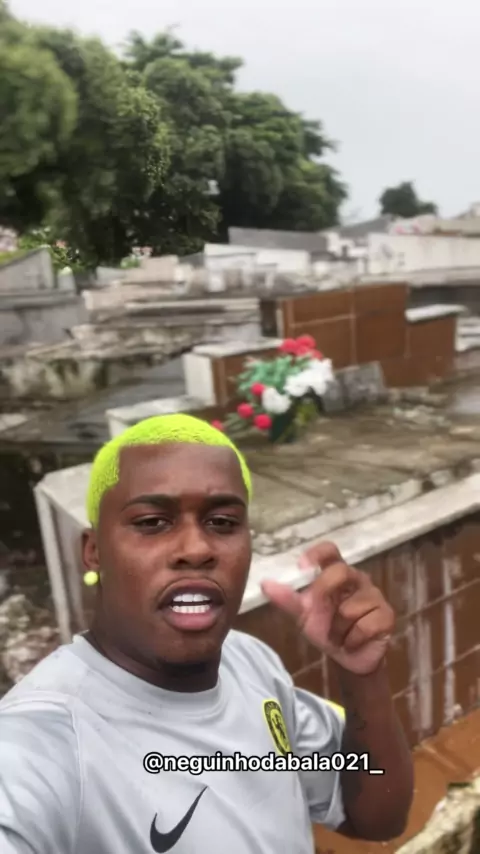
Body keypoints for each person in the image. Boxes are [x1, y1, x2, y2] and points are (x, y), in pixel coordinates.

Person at [0, 414, 413, 853]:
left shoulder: (252, 662)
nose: (197, 549)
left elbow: (376, 817)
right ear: (94, 551)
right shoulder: (41, 743)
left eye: (222, 522)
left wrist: (363, 675)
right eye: (152, 522)